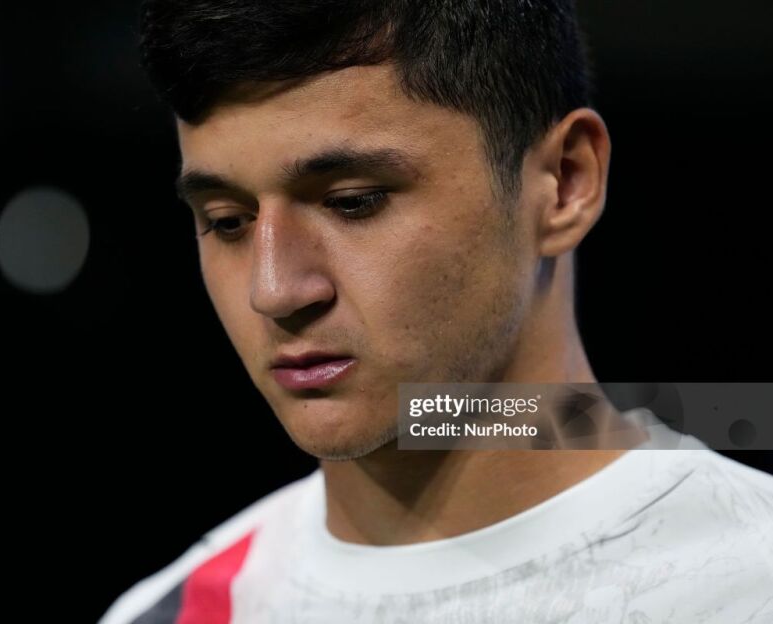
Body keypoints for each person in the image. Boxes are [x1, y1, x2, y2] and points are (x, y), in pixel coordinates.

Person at [101, 1, 773, 621]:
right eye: (227, 221)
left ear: (565, 182)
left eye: (353, 202)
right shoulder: (172, 612)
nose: (273, 290)